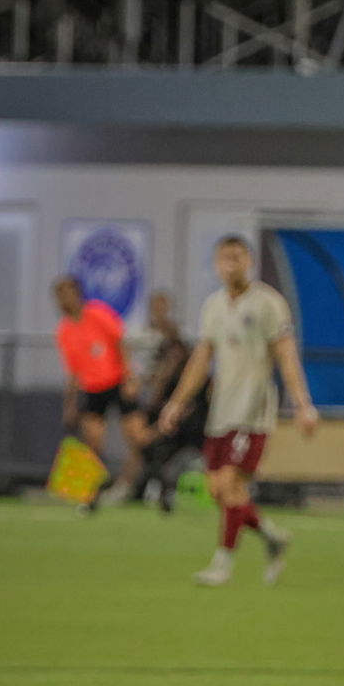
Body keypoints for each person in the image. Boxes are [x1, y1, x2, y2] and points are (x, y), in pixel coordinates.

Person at [158, 235, 318, 587]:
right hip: (221, 412)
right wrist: (177, 403)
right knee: (219, 491)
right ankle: (272, 536)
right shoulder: (213, 306)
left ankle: (222, 563)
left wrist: (303, 403)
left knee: (230, 485)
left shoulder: (268, 303)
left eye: (237, 257)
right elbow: (201, 360)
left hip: (253, 411)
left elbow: (286, 355)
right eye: (224, 258)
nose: (231, 264)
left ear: (249, 262)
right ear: (215, 264)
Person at [52, 276, 149, 509]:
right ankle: (90, 494)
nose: (63, 300)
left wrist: (130, 379)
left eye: (67, 293)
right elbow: (73, 372)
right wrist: (70, 404)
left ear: (77, 294)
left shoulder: (98, 314)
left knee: (139, 439)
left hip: (117, 383)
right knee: (92, 443)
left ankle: (127, 485)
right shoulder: (64, 331)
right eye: (59, 295)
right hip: (92, 390)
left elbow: (121, 344)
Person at [135, 291, 208, 512]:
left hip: (193, 428)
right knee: (149, 444)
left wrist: (176, 413)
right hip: (171, 424)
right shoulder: (165, 379)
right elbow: (156, 402)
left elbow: (196, 405)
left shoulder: (195, 375)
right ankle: (149, 487)